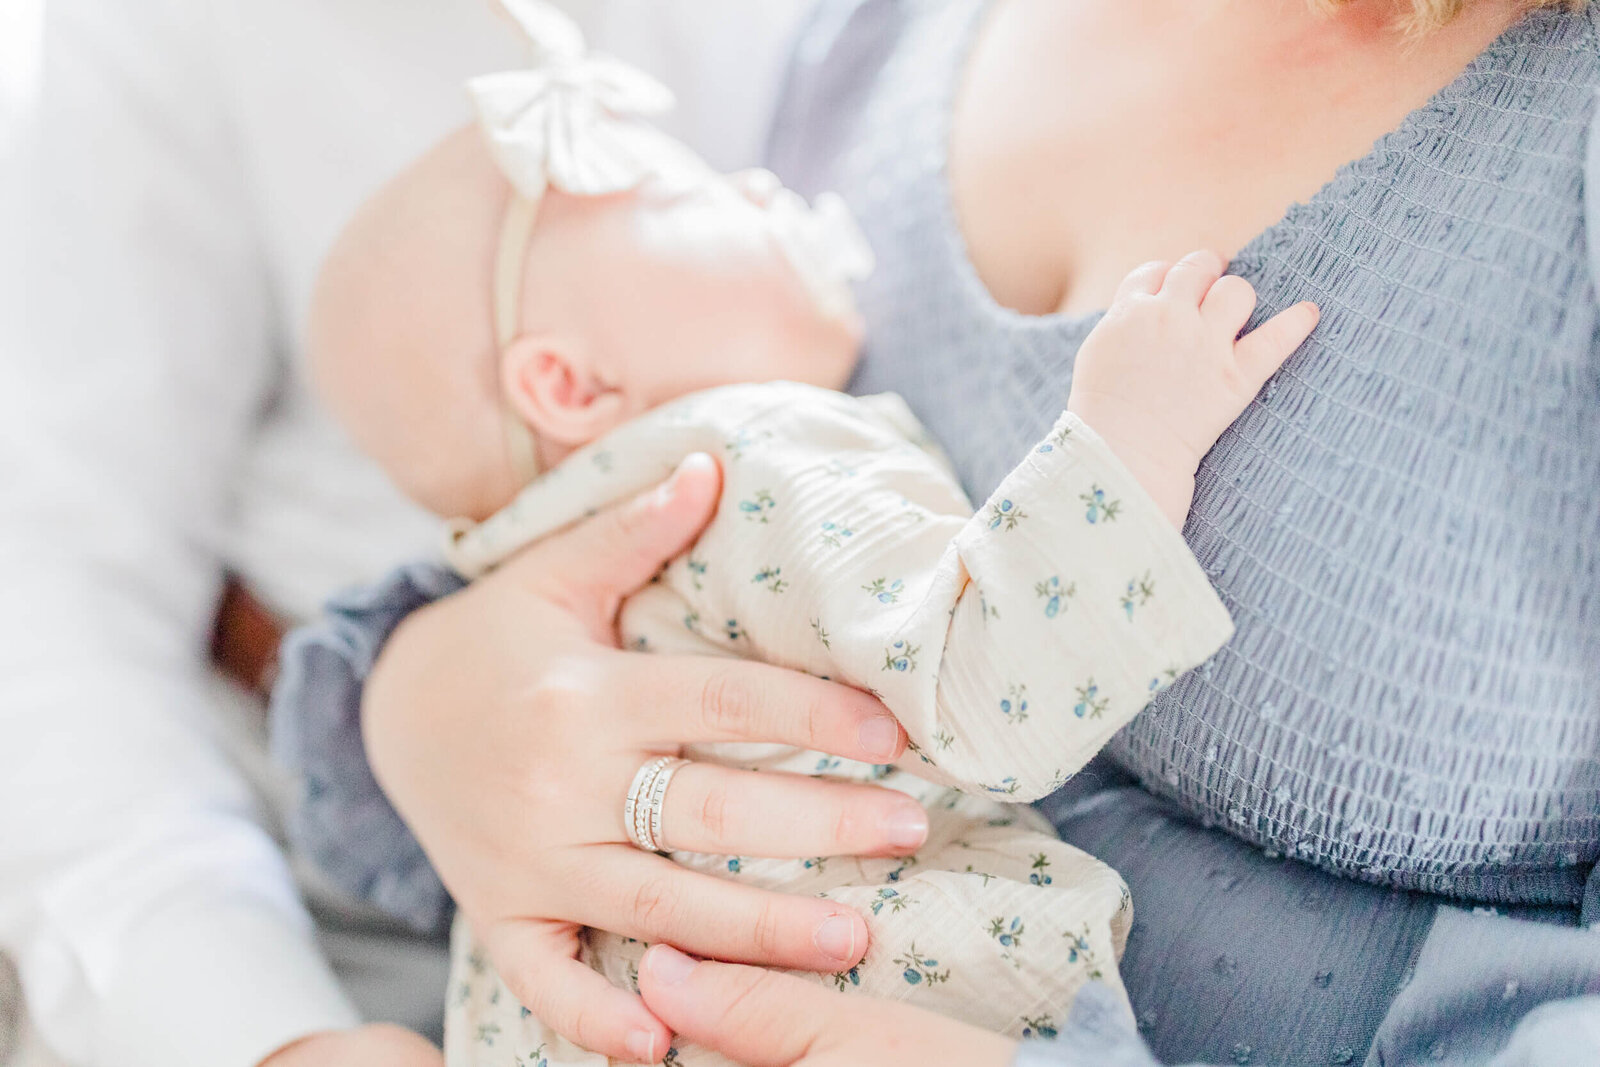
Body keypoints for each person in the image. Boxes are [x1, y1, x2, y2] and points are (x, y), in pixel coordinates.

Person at [338, 0, 1600, 1064]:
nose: (764, 182)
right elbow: (989, 683)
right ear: (567, 384)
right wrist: (1122, 436)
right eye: (695, 191)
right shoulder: (773, 453)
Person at [0, 2, 814, 1065]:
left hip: (846, 859)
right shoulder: (164, 34)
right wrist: (265, 1031)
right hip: (342, 900)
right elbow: (55, 585)